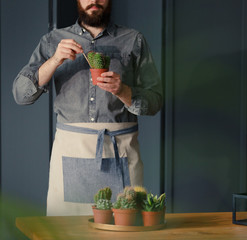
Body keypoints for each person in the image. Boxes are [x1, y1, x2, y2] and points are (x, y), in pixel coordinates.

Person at [12, 0, 162, 216]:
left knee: (124, 231)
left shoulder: (133, 40)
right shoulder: (53, 40)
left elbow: (155, 99)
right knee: (65, 233)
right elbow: (20, 94)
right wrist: (54, 59)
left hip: (120, 151)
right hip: (70, 153)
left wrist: (124, 92)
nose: (94, 1)